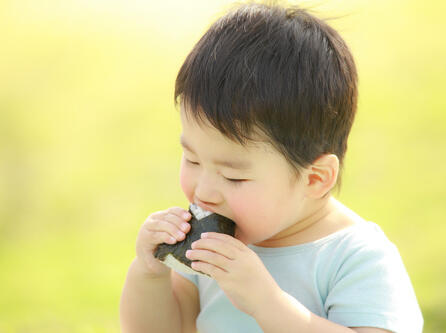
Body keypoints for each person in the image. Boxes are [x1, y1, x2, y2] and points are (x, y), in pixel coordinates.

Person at [120, 2, 424, 332]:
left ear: (315, 179)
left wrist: (268, 304)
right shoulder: (204, 245)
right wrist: (149, 272)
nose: (204, 191)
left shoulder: (356, 258)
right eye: (192, 159)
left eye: (234, 177)